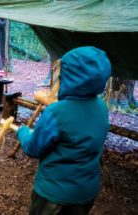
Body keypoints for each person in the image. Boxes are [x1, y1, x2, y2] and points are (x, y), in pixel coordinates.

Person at [16, 46, 111, 215]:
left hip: (54, 195)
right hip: (86, 193)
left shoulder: (57, 112)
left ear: (70, 76)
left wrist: (22, 132)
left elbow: (33, 148)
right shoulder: (102, 108)